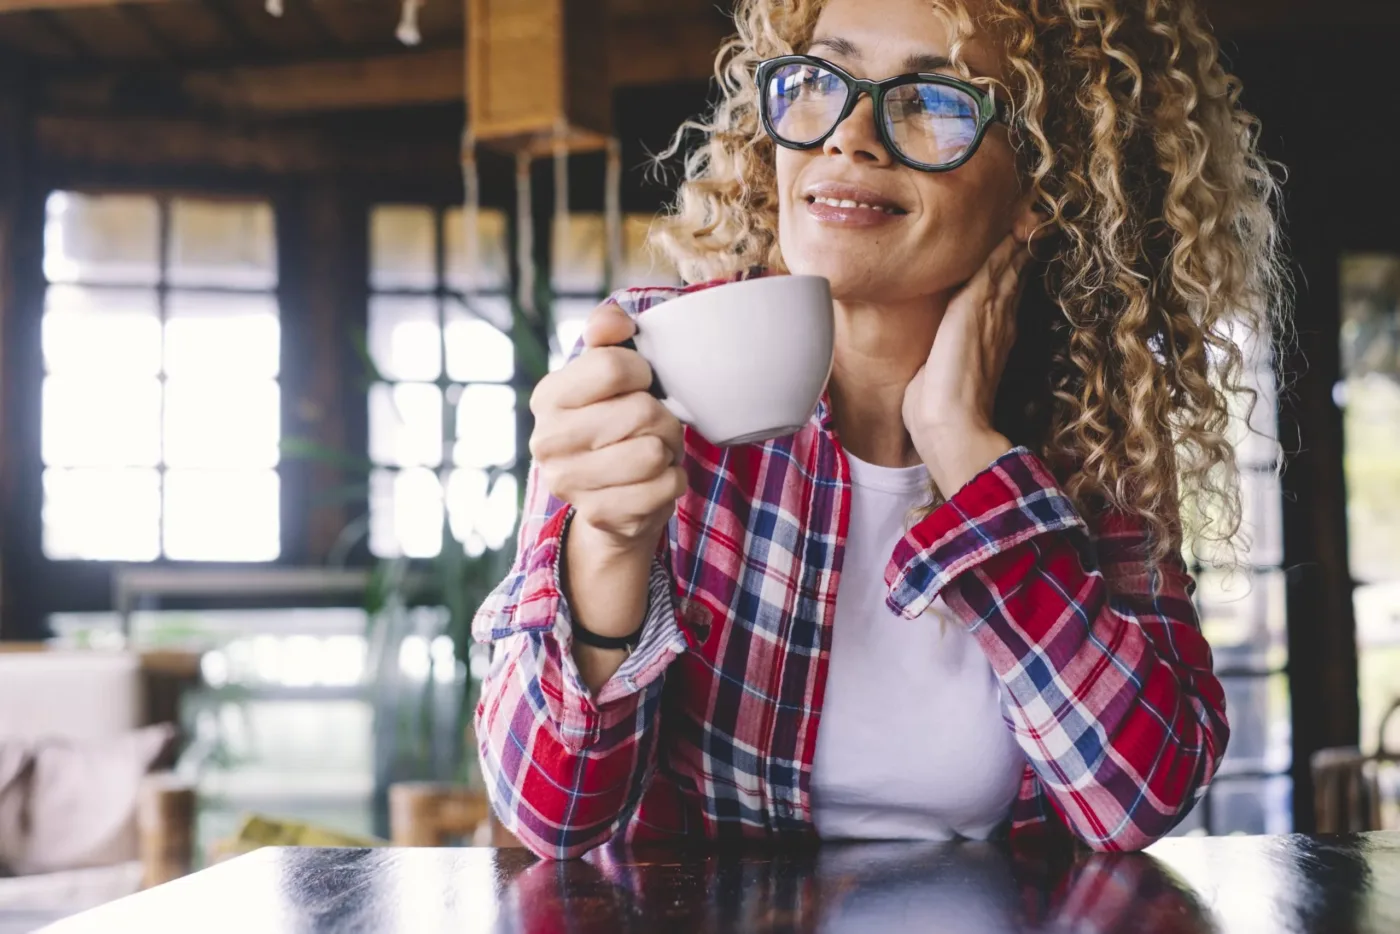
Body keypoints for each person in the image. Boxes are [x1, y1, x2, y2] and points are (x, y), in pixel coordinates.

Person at [473, 0, 1287, 859]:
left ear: (1045, 183)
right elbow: (552, 818)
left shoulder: (1092, 427)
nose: (849, 135)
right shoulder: (653, 366)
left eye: (935, 102)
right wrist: (607, 544)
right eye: (821, 82)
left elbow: (1141, 800)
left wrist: (963, 447)